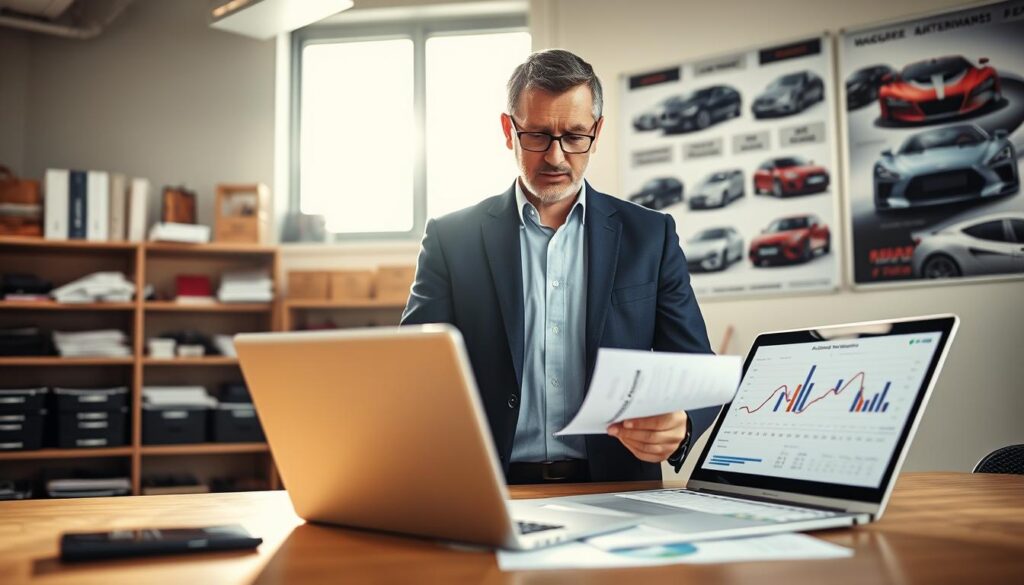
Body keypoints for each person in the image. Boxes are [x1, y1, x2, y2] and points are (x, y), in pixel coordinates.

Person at [401, 49, 715, 484]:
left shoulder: (651, 236)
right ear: (508, 130)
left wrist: (682, 422)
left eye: (574, 136)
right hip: (488, 486)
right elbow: (411, 371)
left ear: (597, 131)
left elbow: (696, 365)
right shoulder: (451, 239)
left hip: (618, 486)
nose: (556, 157)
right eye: (538, 136)